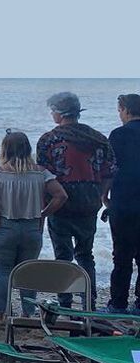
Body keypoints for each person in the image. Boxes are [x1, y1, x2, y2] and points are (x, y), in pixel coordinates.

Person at [0, 131, 68, 321]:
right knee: (27, 271)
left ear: (5, 149)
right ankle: (27, 312)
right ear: (27, 148)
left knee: (2, 272)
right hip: (32, 227)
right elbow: (61, 196)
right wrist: (44, 213)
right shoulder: (41, 173)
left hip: (4, 226)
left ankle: (0, 313)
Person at [37, 92, 115, 310]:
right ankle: (88, 303)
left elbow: (43, 175)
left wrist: (43, 208)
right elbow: (110, 172)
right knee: (85, 255)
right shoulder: (98, 138)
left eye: (52, 111)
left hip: (61, 204)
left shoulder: (49, 139)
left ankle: (65, 304)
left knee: (63, 257)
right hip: (89, 202)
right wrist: (101, 194)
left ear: (59, 113)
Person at [104, 94, 140, 313]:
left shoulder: (118, 134)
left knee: (122, 255)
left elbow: (111, 168)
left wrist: (104, 195)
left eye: (119, 110)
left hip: (123, 202)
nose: (119, 114)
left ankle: (118, 303)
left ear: (126, 110)